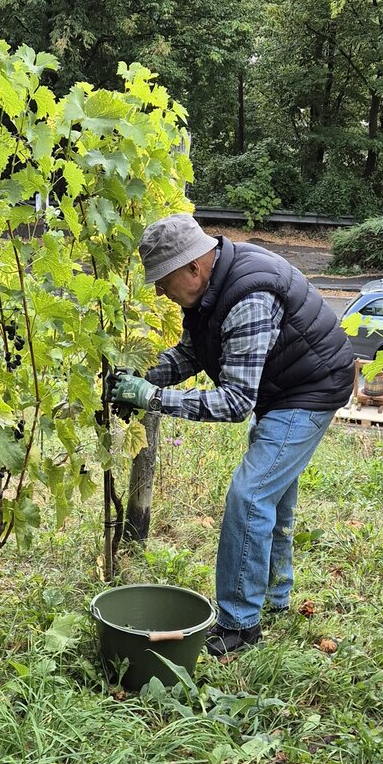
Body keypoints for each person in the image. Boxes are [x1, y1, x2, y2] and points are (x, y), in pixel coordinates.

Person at [112, 214, 354, 657]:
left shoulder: (248, 298)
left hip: (310, 389)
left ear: (193, 268)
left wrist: (152, 398)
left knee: (250, 496)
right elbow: (192, 353)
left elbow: (235, 402)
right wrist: (144, 376)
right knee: (274, 496)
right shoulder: (209, 292)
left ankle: (239, 625)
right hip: (284, 385)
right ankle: (278, 597)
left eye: (163, 283)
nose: (161, 294)